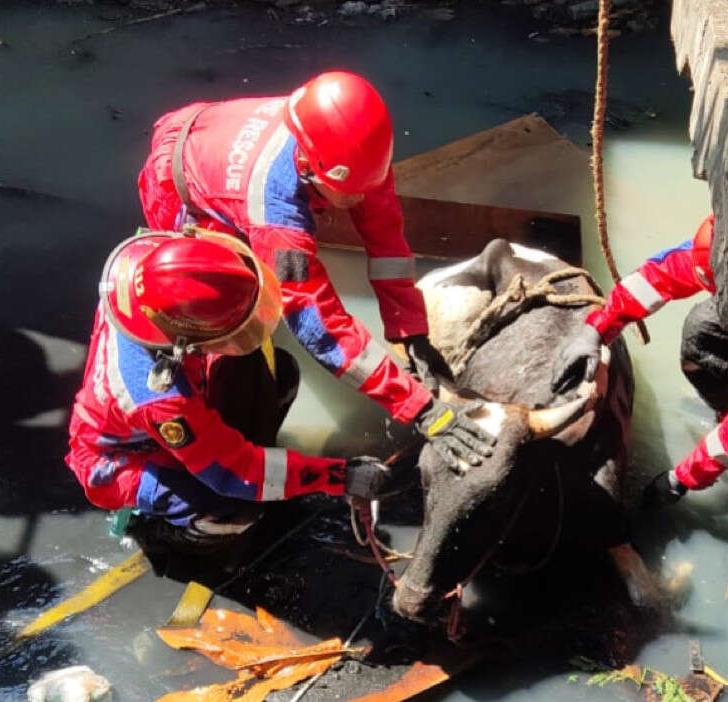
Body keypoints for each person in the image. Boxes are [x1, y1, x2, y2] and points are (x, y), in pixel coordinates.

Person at [136, 70, 493, 473]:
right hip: (181, 181)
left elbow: (386, 234)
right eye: (352, 192)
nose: (363, 197)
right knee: (219, 310)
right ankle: (208, 435)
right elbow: (318, 327)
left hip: (215, 131)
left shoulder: (352, 147)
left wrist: (410, 328)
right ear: (308, 166)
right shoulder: (275, 214)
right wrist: (420, 409)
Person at [66, 228, 396, 544]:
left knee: (278, 373)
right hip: (117, 460)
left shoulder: (148, 266)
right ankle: (169, 534)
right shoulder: (162, 398)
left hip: (151, 412)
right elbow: (234, 472)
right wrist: (340, 477)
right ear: (185, 339)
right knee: (232, 506)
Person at [550, 215, 728, 507]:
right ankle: (726, 409)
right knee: (702, 330)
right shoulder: (727, 242)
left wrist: (682, 480)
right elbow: (661, 276)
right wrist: (596, 329)